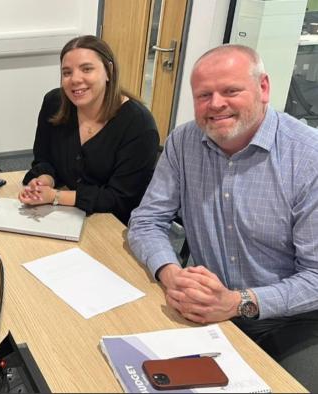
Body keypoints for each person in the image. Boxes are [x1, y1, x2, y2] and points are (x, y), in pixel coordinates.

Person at [128, 44, 318, 391]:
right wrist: (172, 275)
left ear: (263, 88)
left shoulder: (309, 158)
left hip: (295, 319)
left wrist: (237, 303)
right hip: (206, 303)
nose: (216, 104)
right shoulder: (183, 142)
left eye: (231, 90)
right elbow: (147, 220)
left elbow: (316, 277)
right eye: (204, 95)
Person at [19, 35, 159, 225]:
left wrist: (56, 196)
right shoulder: (54, 103)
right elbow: (44, 159)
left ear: (109, 71)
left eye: (87, 69)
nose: (75, 79)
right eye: (67, 72)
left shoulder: (138, 124)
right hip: (62, 215)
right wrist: (45, 180)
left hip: (113, 225)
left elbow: (122, 199)